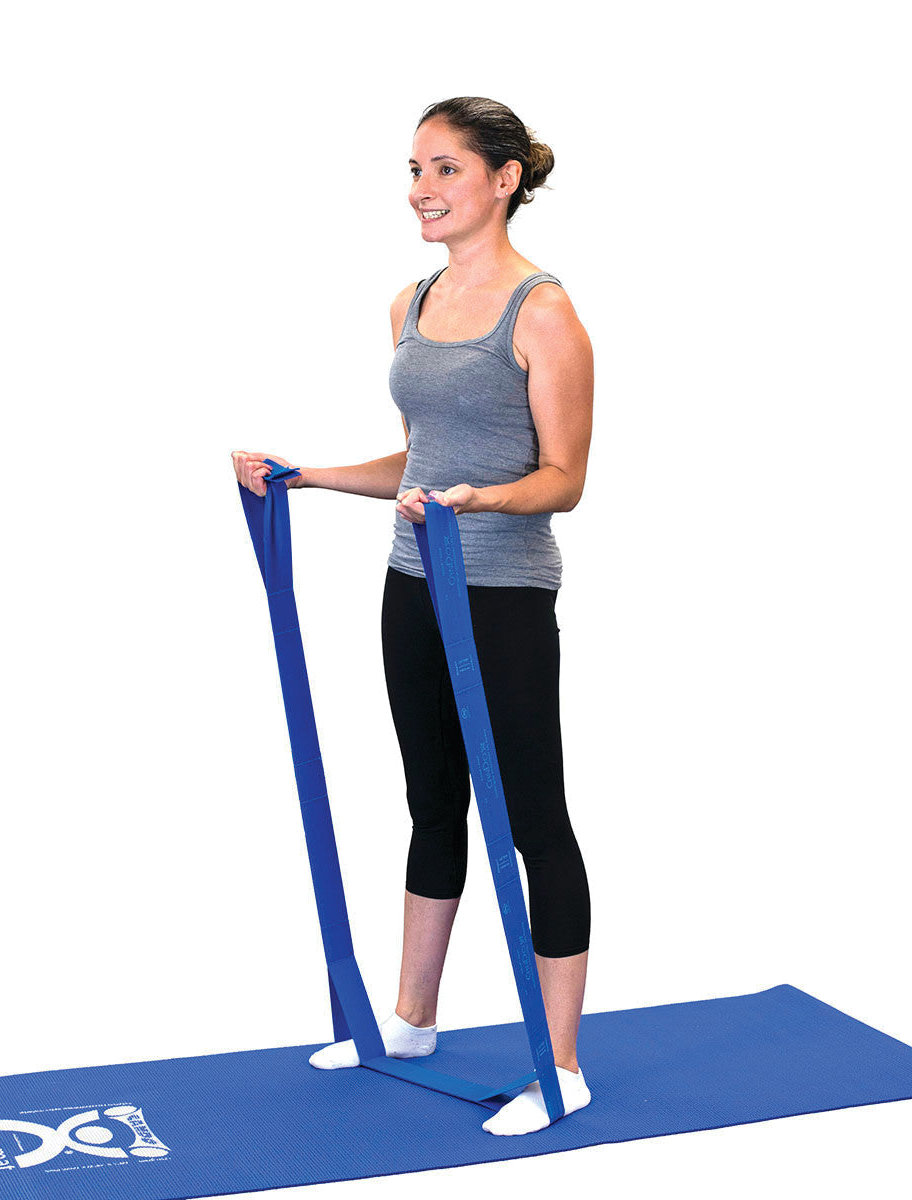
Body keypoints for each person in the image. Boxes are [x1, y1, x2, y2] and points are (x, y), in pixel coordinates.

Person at [230, 96, 594, 1136]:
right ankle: (411, 1021)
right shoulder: (411, 304)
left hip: (503, 594)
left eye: (444, 170)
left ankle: (563, 1064)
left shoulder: (544, 314)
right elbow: (420, 461)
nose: (421, 190)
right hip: (411, 581)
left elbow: (565, 478)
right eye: (415, 170)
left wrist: (482, 501)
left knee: (532, 819)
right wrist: (307, 476)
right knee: (433, 803)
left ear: (503, 180)